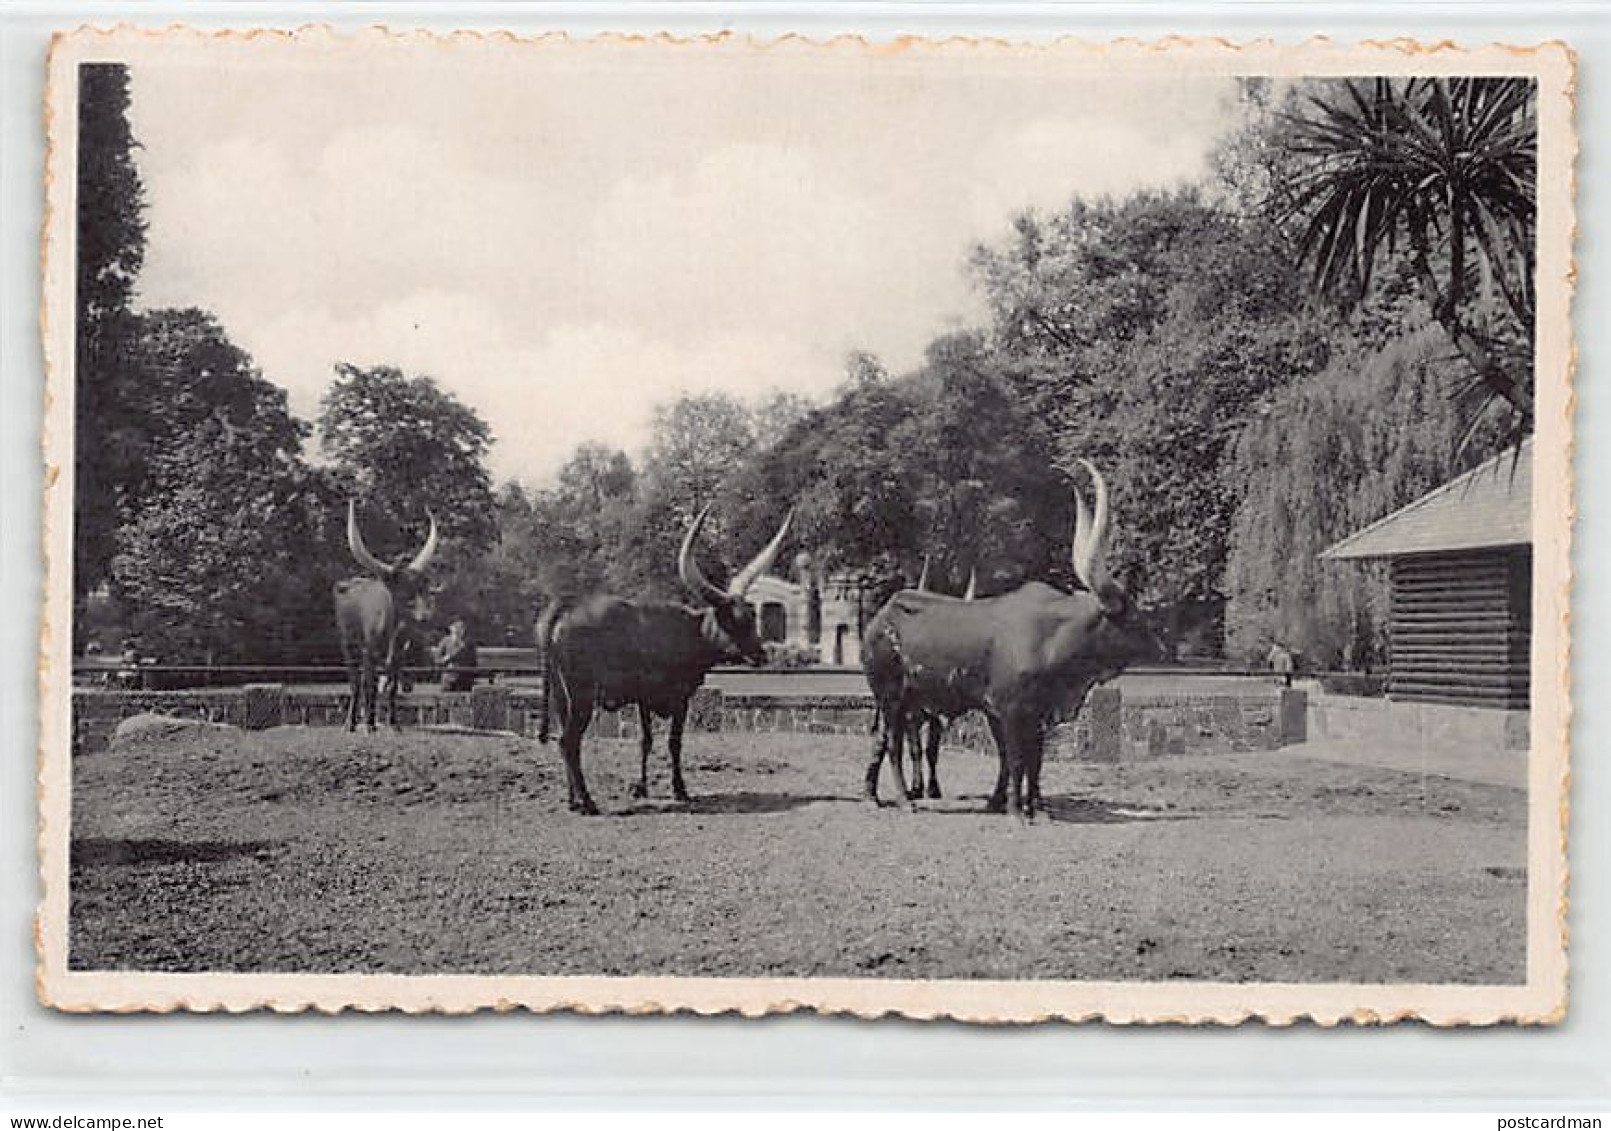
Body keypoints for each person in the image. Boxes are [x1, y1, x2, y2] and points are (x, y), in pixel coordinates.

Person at [434, 619, 478, 692]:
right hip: (449, 676)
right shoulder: (445, 641)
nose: (458, 631)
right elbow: (437, 660)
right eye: (455, 628)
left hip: (464, 677)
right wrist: (446, 658)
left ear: (463, 631)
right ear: (451, 629)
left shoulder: (469, 644)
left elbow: (473, 662)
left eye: (460, 629)